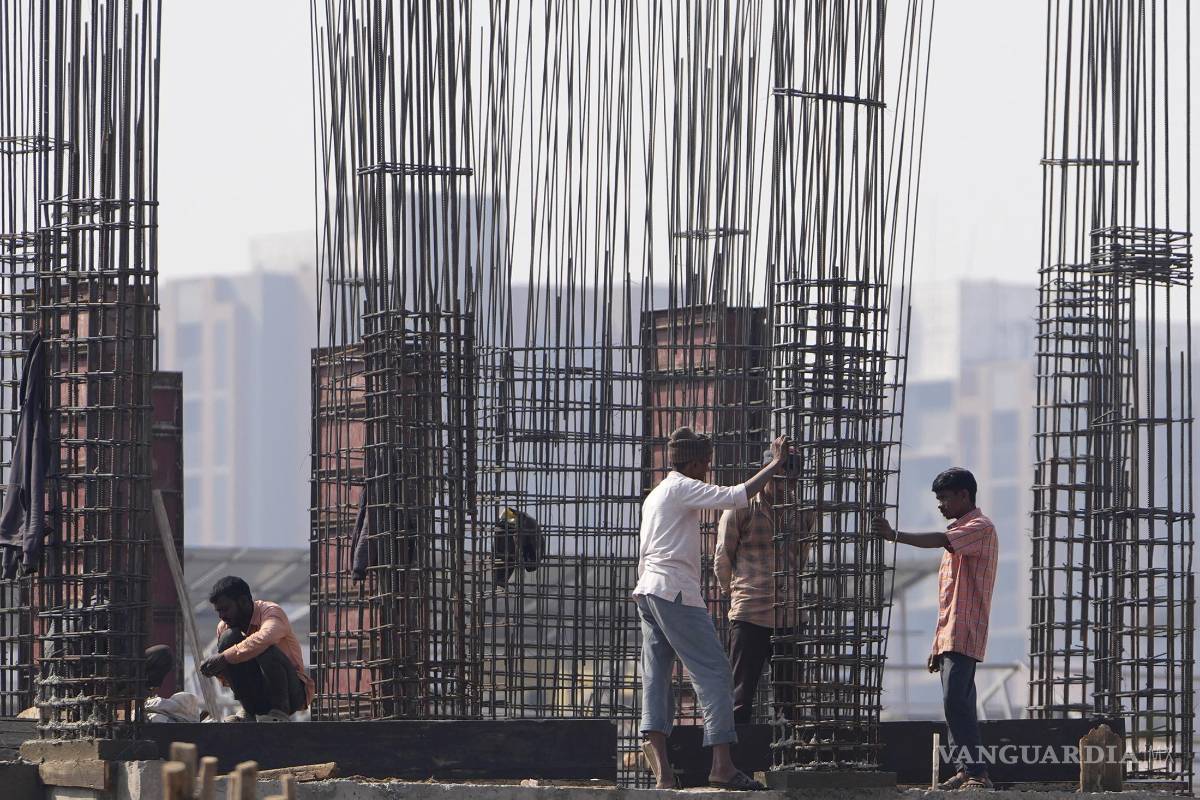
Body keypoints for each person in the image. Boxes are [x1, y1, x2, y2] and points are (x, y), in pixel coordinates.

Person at [636, 427, 793, 791]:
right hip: (675, 591)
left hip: (648, 591)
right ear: (692, 463)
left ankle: (664, 775)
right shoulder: (681, 486)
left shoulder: (656, 494)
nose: (708, 469)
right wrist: (776, 464)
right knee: (716, 674)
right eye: (705, 462)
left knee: (656, 678)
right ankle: (722, 766)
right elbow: (737, 495)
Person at [873, 467, 998, 791]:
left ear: (964, 496)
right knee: (954, 702)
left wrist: (894, 535)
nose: (941, 505)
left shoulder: (979, 528)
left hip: (965, 631)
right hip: (951, 633)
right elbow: (949, 600)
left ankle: (976, 772)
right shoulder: (961, 534)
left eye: (945, 498)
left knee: (956, 700)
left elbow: (941, 540)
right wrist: (937, 645)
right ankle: (966, 769)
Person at [715, 450, 811, 724]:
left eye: (791, 478)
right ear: (766, 472)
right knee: (740, 697)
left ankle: (786, 745)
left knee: (788, 703)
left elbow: (801, 558)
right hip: (750, 614)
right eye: (778, 476)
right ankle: (736, 746)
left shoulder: (802, 514)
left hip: (789, 616)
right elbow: (723, 557)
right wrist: (734, 594)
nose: (785, 484)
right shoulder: (741, 508)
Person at [199, 576, 314, 722]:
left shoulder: (271, 612)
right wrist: (217, 669)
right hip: (258, 695)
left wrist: (224, 657)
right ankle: (249, 711)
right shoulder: (224, 627)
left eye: (226, 609)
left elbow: (266, 638)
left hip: (292, 694)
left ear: (243, 601)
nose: (222, 616)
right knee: (228, 639)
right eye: (219, 611)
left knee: (263, 647)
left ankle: (279, 712)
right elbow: (230, 675)